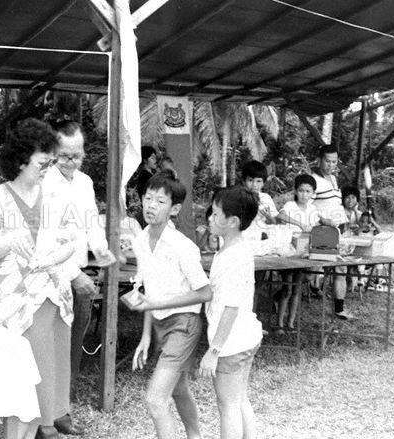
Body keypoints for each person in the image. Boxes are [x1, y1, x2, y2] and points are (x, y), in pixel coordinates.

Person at [0, 118, 79, 439]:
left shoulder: (56, 196)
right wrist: (5, 243)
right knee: (25, 388)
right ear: (20, 161)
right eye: (42, 163)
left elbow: (70, 242)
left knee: (46, 385)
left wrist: (51, 259)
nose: (48, 169)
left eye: (50, 162)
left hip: (54, 299)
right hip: (18, 306)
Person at [130, 170, 212, 439]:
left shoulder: (183, 246)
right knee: (178, 390)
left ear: (174, 208)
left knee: (155, 400)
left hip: (184, 324)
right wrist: (144, 337)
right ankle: (195, 436)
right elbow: (147, 295)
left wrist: (160, 302)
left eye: (160, 201)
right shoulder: (141, 239)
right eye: (148, 197)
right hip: (159, 324)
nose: (151, 205)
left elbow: (205, 292)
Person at [43, 121, 111, 427]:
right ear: (52, 152)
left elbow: (91, 223)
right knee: (51, 346)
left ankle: (63, 408)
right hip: (51, 275)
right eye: (65, 156)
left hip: (80, 272)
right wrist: (73, 275)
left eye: (78, 155)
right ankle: (49, 415)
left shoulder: (84, 182)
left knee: (74, 343)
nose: (72, 162)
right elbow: (44, 239)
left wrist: (103, 250)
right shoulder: (42, 182)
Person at [198, 186, 262, 439]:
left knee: (228, 407)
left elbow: (231, 307)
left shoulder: (232, 256)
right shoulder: (234, 249)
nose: (210, 218)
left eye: (215, 214)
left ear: (233, 221)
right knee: (239, 400)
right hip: (246, 336)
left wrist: (214, 351)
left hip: (231, 343)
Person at [311, 145, 353, 320]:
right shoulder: (313, 180)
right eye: (327, 161)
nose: (330, 165)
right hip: (323, 232)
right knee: (305, 273)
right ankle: (281, 297)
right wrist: (323, 220)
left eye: (334, 161)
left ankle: (339, 308)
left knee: (341, 268)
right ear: (320, 160)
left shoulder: (334, 179)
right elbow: (308, 207)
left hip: (338, 231)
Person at [275, 174, 321, 332]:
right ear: (296, 190)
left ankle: (291, 323)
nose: (304, 194)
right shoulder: (289, 205)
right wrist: (300, 224)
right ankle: (279, 323)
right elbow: (279, 216)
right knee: (287, 288)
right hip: (289, 251)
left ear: (313, 193)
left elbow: (314, 229)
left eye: (308, 191)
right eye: (301, 191)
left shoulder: (313, 209)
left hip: (304, 251)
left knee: (297, 289)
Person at [241, 161, 277, 230]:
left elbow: (274, 222)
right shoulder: (239, 198)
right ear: (243, 181)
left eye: (258, 181)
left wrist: (269, 218)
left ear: (263, 183)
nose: (254, 185)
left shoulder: (266, 198)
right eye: (250, 180)